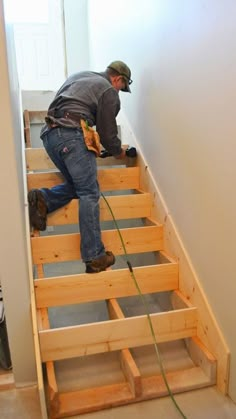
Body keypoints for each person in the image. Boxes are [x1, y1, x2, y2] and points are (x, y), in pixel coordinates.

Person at [28, 60, 133, 273]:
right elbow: (107, 133)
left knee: (79, 186)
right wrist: (119, 152)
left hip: (50, 136)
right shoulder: (108, 90)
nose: (120, 91)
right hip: (70, 136)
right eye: (122, 87)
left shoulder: (81, 75)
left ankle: (44, 199)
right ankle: (94, 255)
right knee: (89, 192)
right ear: (118, 79)